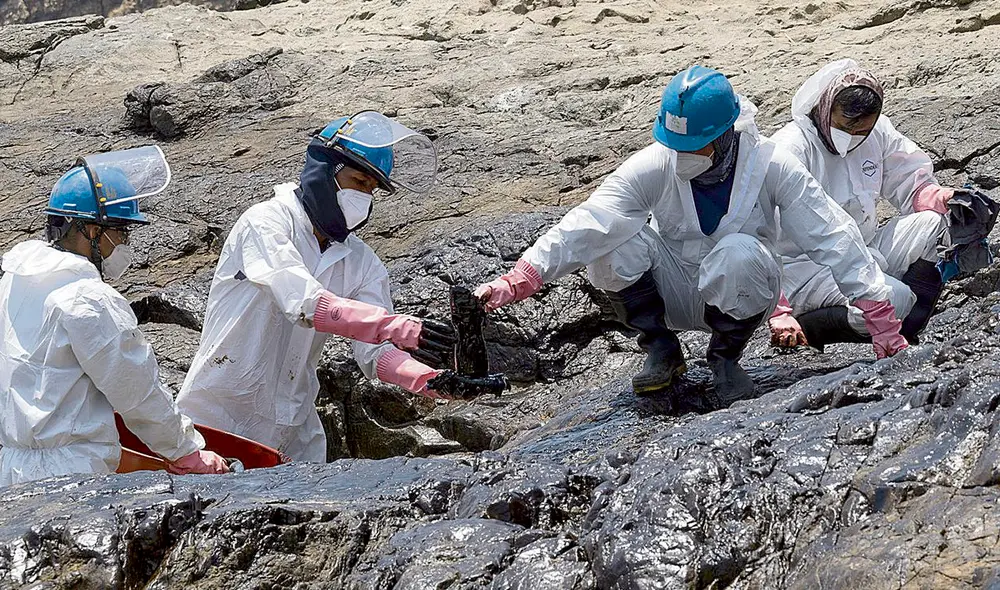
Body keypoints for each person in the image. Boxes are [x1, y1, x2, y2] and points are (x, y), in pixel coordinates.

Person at [473, 66, 908, 406]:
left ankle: (725, 358)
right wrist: (522, 277)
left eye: (693, 145)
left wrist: (879, 316)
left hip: (739, 293)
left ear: (722, 137)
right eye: (675, 144)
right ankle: (661, 349)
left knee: (741, 252)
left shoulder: (772, 165)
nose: (680, 154)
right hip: (675, 288)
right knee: (611, 243)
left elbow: (831, 234)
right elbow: (591, 220)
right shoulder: (654, 164)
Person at [176, 111, 502, 462]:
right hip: (217, 418)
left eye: (373, 190)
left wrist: (430, 380)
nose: (365, 197)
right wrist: (396, 326)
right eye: (359, 182)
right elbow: (303, 302)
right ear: (323, 170)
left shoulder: (361, 262)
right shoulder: (266, 222)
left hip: (293, 430)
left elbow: (375, 354)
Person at [0, 146, 229, 487]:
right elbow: (136, 390)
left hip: (10, 467)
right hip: (72, 476)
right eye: (120, 232)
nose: (123, 244)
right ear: (92, 231)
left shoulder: (15, 279)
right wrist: (186, 452)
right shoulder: (88, 299)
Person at [768, 59, 958, 349]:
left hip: (863, 251)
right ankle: (815, 324)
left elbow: (907, 177)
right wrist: (778, 308)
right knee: (895, 299)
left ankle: (905, 331)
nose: (852, 139)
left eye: (862, 132)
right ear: (825, 107)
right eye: (844, 127)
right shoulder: (790, 149)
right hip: (805, 270)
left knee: (938, 222)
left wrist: (939, 197)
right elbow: (759, 229)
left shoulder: (877, 132)